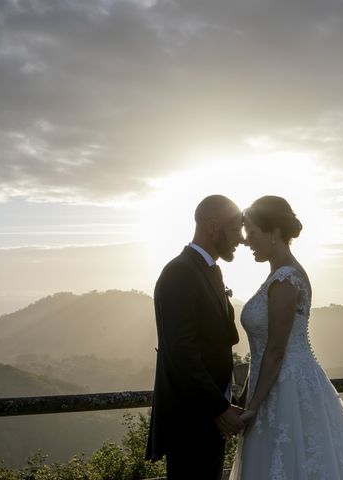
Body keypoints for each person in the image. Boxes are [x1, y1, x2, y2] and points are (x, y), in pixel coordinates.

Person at [230, 195, 343, 479]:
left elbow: (275, 350)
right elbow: (260, 352)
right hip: (273, 383)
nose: (247, 241)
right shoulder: (277, 276)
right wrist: (247, 398)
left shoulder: (286, 279)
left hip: (286, 388)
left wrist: (254, 406)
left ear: (274, 232)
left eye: (253, 234)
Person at [145, 194, 246, 480]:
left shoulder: (207, 270)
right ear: (213, 226)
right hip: (191, 420)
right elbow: (181, 352)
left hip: (208, 418)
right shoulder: (180, 272)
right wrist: (219, 407)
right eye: (235, 229)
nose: (241, 238)